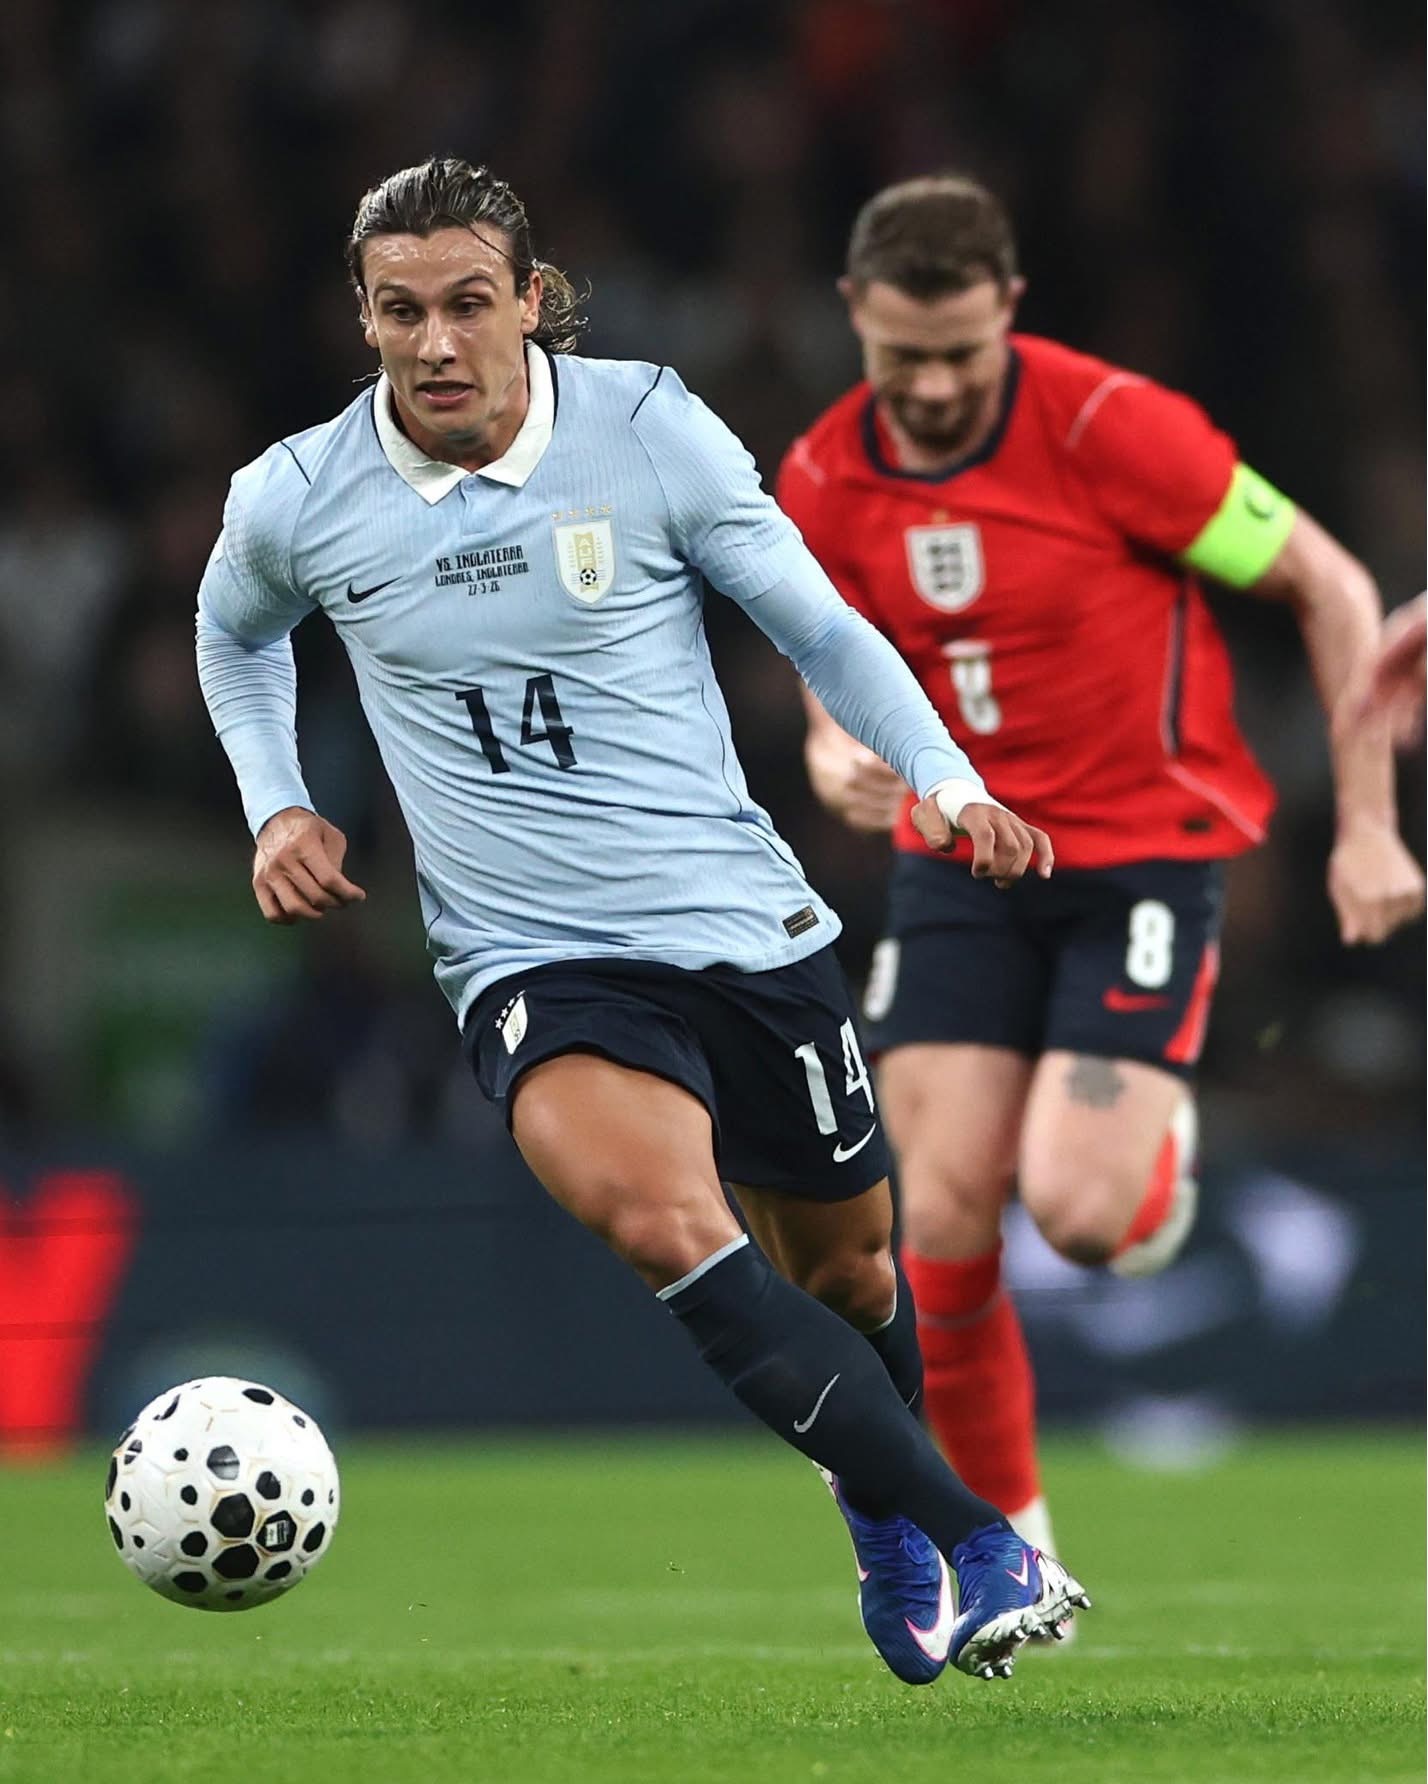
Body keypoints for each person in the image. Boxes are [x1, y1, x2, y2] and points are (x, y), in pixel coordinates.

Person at [195, 157, 1089, 1685]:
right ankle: (983, 1536)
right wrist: (276, 801)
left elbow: (814, 622)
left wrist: (941, 777)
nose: (435, 344)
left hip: (745, 927)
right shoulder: (295, 497)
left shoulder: (648, 428)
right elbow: (234, 636)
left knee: (855, 1277)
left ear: (529, 303)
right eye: (400, 311)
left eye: (468, 304)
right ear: (364, 316)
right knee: (672, 1223)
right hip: (535, 965)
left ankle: (878, 1510)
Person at [779, 174, 1425, 1568]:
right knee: (934, 1210)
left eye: (962, 352)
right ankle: (1007, 1546)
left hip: (1138, 856)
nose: (937, 387)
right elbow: (828, 652)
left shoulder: (1107, 429)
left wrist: (1369, 822)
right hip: (961, 858)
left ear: (1011, 308)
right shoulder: (824, 475)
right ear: (855, 321)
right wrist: (835, 747)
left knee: (1077, 1217)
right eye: (905, 358)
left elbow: (1326, 579)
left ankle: (1146, 1151)